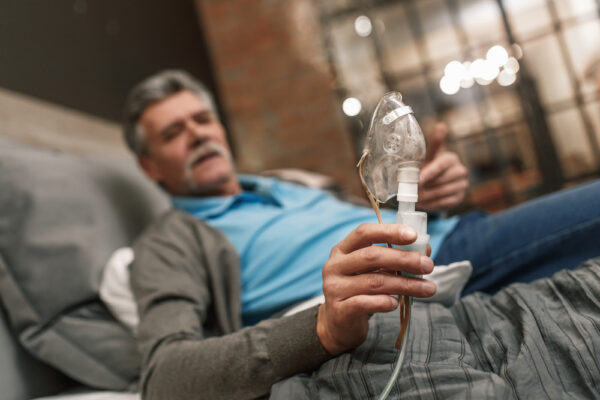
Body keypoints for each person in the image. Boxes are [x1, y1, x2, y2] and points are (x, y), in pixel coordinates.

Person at [123, 70, 600, 399]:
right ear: (149, 166)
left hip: (446, 240)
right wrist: (323, 329)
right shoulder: (170, 242)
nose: (198, 134)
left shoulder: (288, 183)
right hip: (425, 276)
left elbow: (375, 220)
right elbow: (165, 378)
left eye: (202, 120)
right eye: (173, 133)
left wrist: (420, 200)